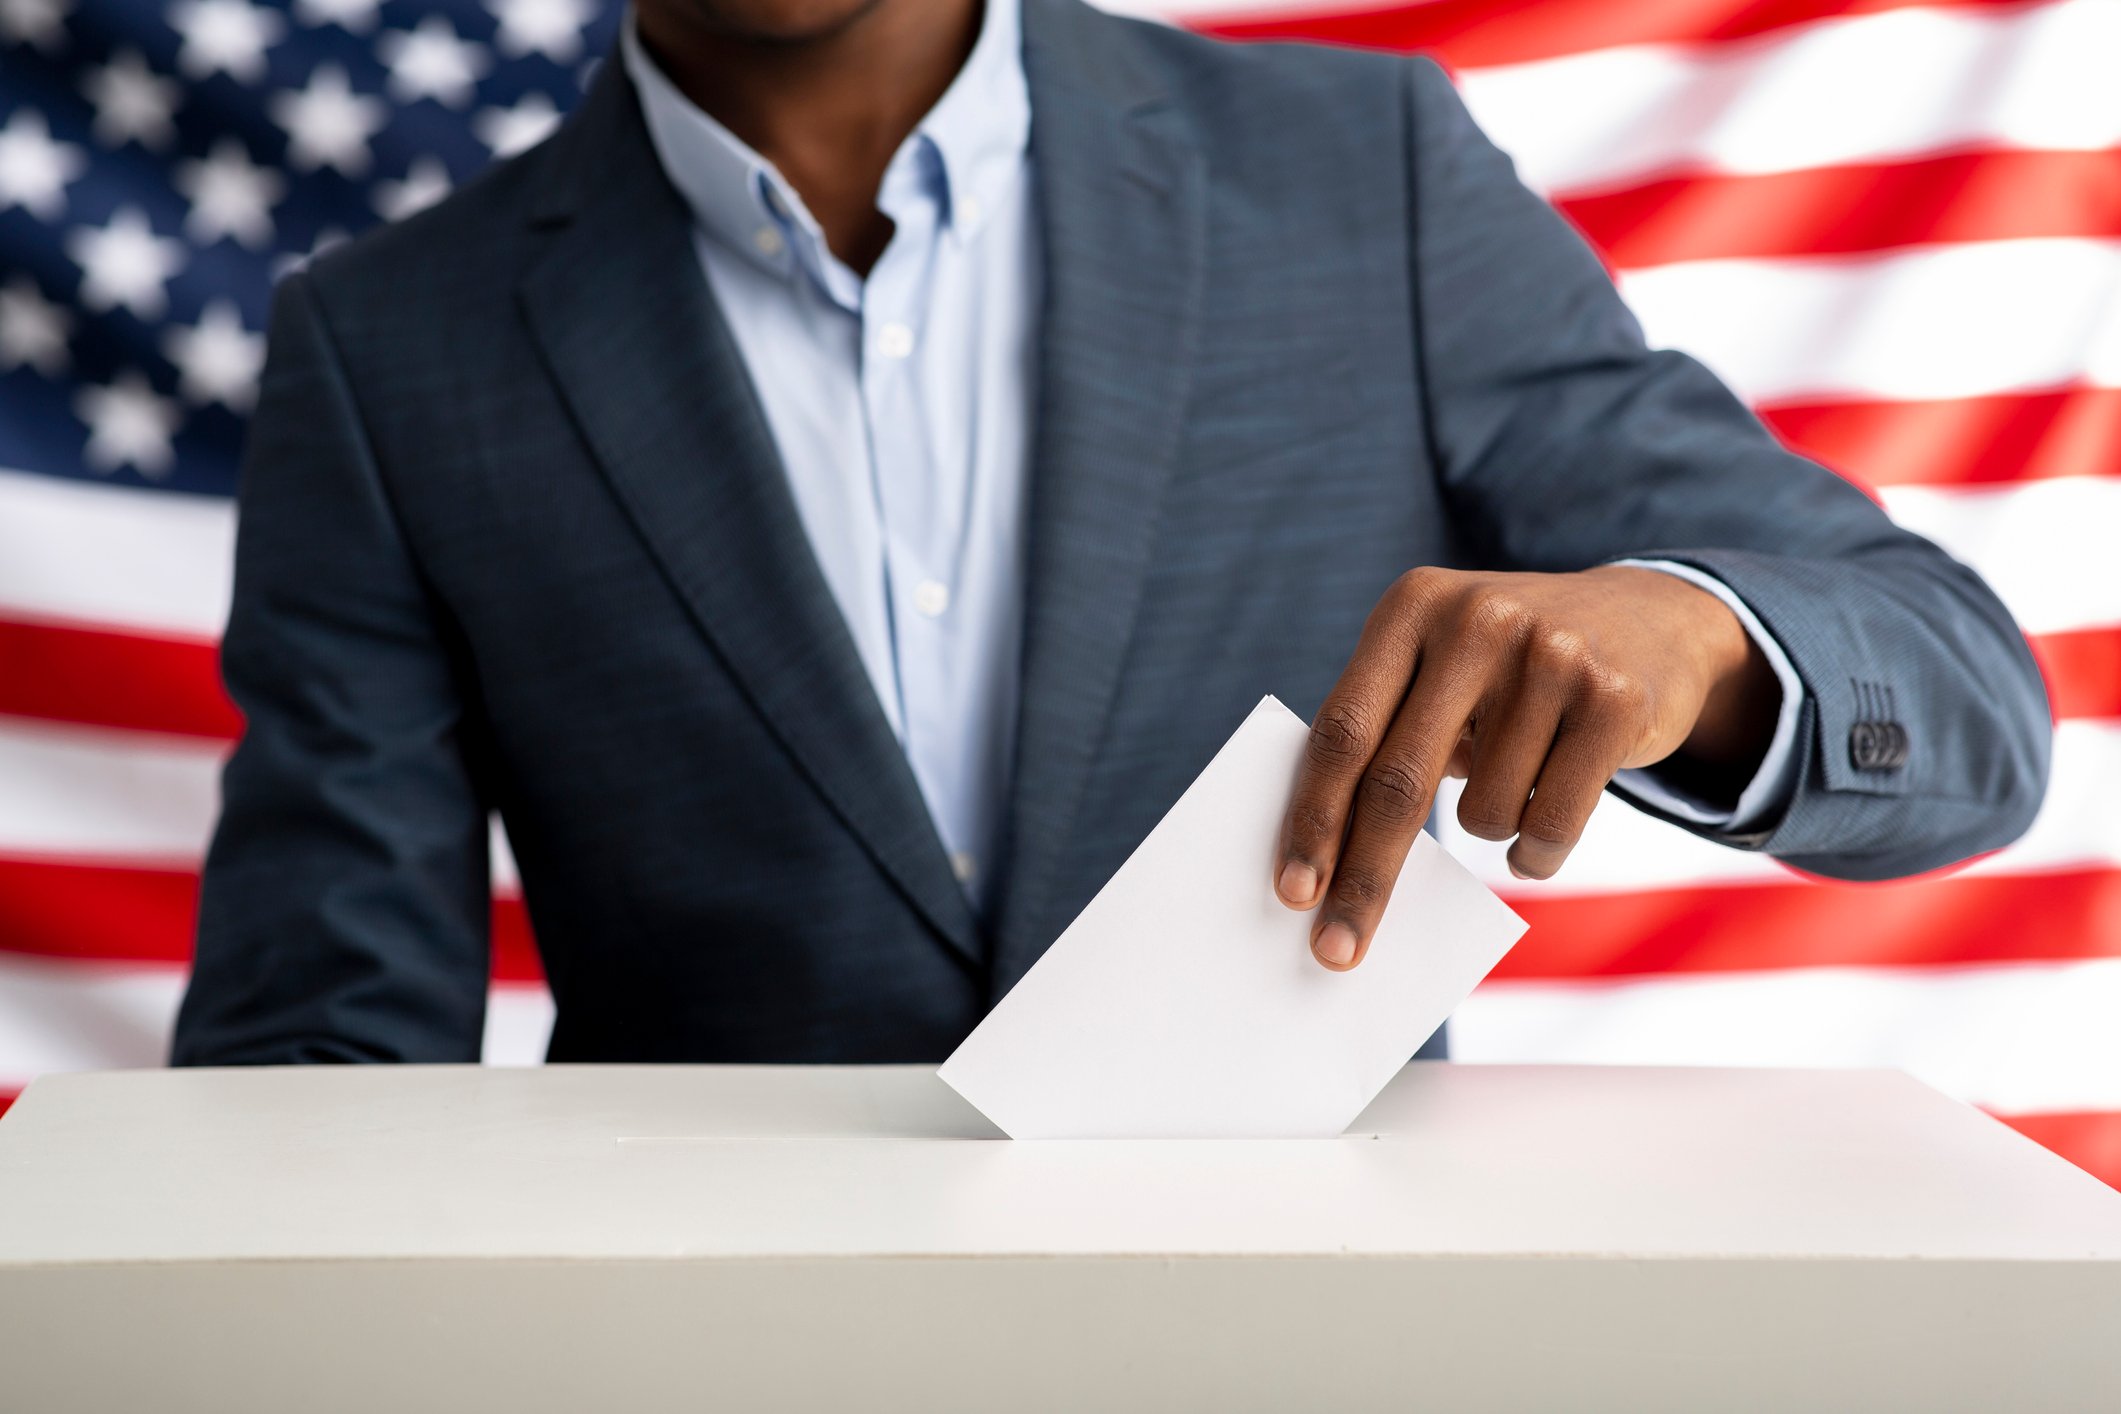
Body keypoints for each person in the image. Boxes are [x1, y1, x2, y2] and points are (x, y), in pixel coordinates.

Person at [172, 0, 2050, 1065]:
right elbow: (320, 1055)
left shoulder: (1363, 174)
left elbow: (1965, 705)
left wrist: (1705, 639)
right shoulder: (391, 345)